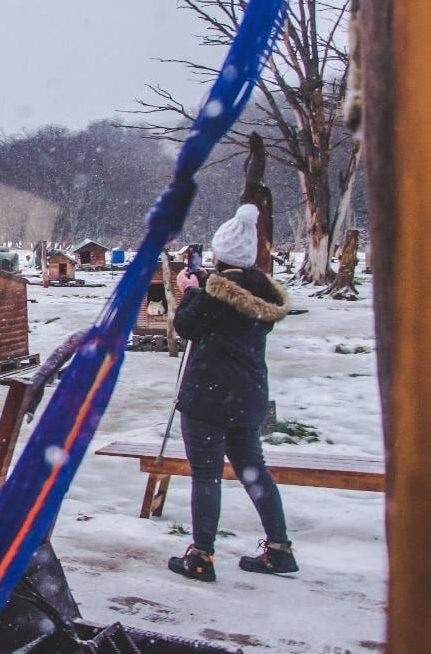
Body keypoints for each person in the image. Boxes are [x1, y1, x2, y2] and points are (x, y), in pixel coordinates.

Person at [168, 204, 295, 582]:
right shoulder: (261, 292)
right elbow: (229, 314)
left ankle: (201, 556)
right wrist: (206, 287)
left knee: (206, 475)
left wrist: (190, 293)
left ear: (219, 253)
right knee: (254, 471)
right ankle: (279, 547)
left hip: (209, 397)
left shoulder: (212, 296)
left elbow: (186, 326)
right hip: (248, 395)